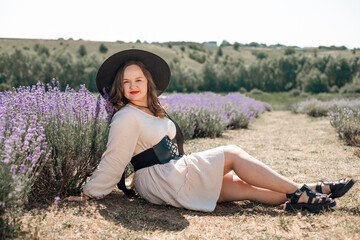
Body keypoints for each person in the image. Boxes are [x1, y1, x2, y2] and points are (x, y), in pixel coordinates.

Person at [65, 49, 355, 213]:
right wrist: (91, 194)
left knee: (246, 190)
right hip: (162, 179)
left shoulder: (150, 110)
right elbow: (114, 159)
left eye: (138, 79)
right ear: (119, 87)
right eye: (126, 82)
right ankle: (303, 190)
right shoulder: (126, 116)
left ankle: (313, 191)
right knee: (231, 153)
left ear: (148, 81)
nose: (133, 86)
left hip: (175, 173)